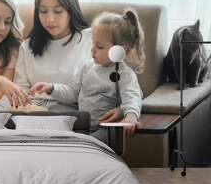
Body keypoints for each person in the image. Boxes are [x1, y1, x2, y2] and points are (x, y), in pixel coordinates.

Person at [30, 9, 145, 140]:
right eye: (93, 43)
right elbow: (72, 93)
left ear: (120, 50)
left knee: (87, 143)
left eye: (100, 46)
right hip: (83, 125)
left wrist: (130, 117)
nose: (93, 49)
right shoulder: (87, 67)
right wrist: (51, 88)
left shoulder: (125, 74)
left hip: (106, 128)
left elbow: (133, 97)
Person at [0, 0, 95, 113]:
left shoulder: (91, 39)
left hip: (70, 115)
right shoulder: (27, 46)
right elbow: (19, 92)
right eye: (43, 11)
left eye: (58, 11)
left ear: (71, 10)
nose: (50, 19)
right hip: (32, 113)